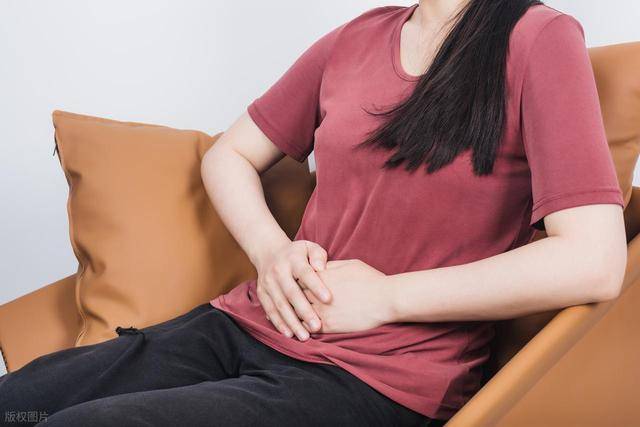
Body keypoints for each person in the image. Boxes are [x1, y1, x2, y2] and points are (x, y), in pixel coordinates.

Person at [0, 1, 627, 426]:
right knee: (19, 404)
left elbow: (593, 260)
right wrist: (271, 252)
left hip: (376, 378)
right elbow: (229, 156)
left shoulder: (539, 39)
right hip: (248, 324)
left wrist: (388, 298)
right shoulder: (357, 38)